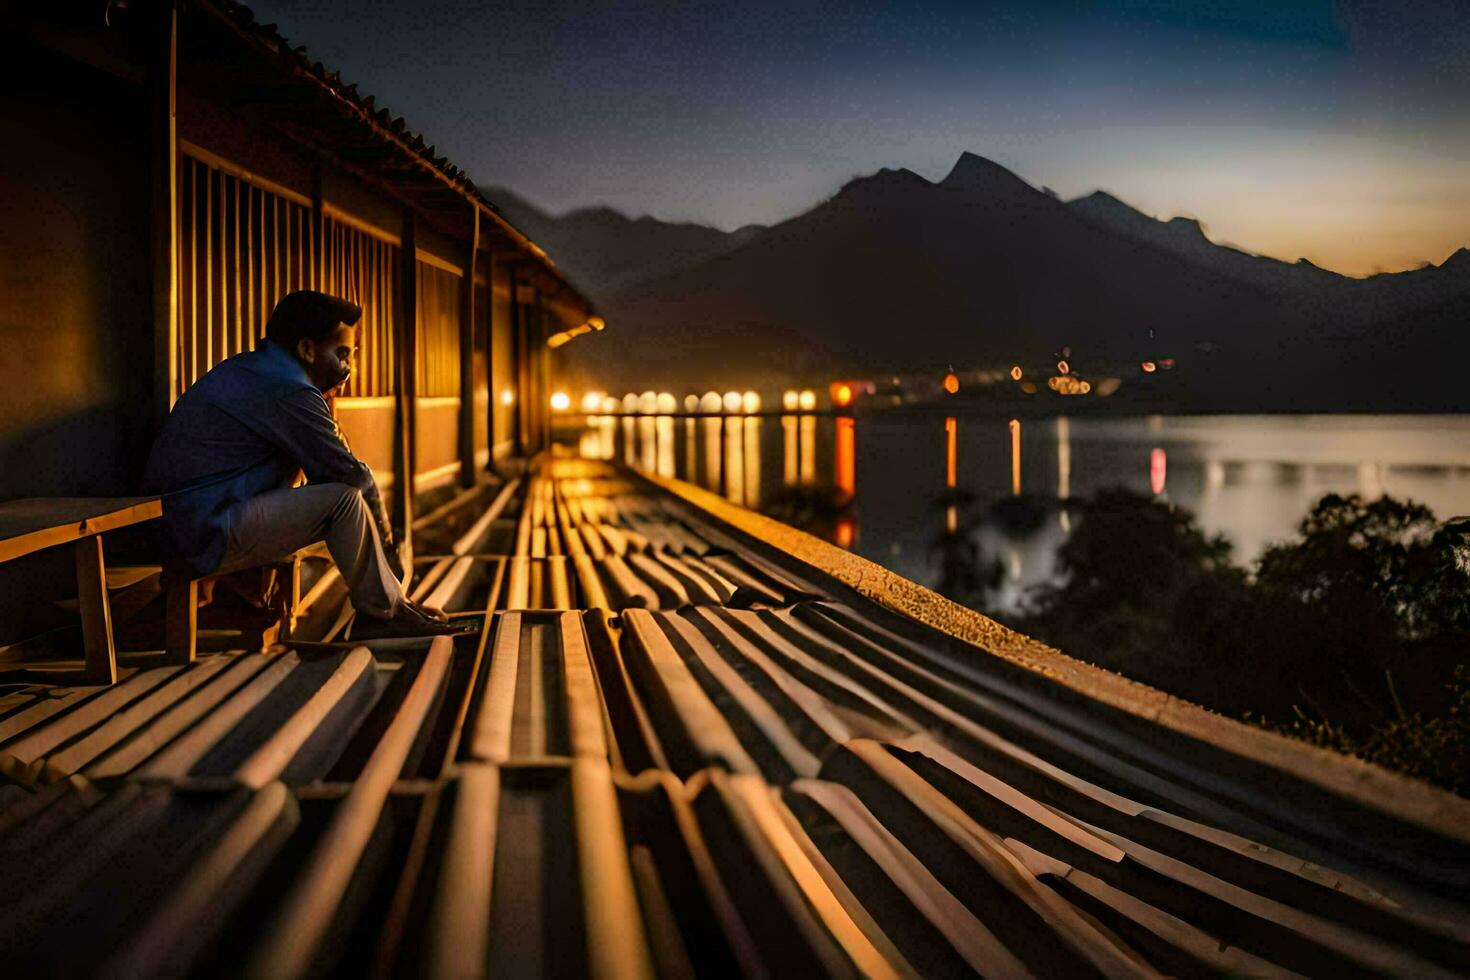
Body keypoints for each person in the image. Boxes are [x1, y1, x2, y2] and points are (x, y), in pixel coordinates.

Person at [143, 289, 457, 638]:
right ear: (307, 349)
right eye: (341, 354)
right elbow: (352, 477)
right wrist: (399, 586)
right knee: (343, 502)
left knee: (330, 494)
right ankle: (384, 614)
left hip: (184, 522)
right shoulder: (288, 388)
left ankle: (385, 603)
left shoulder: (258, 370)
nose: (347, 368)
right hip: (203, 530)